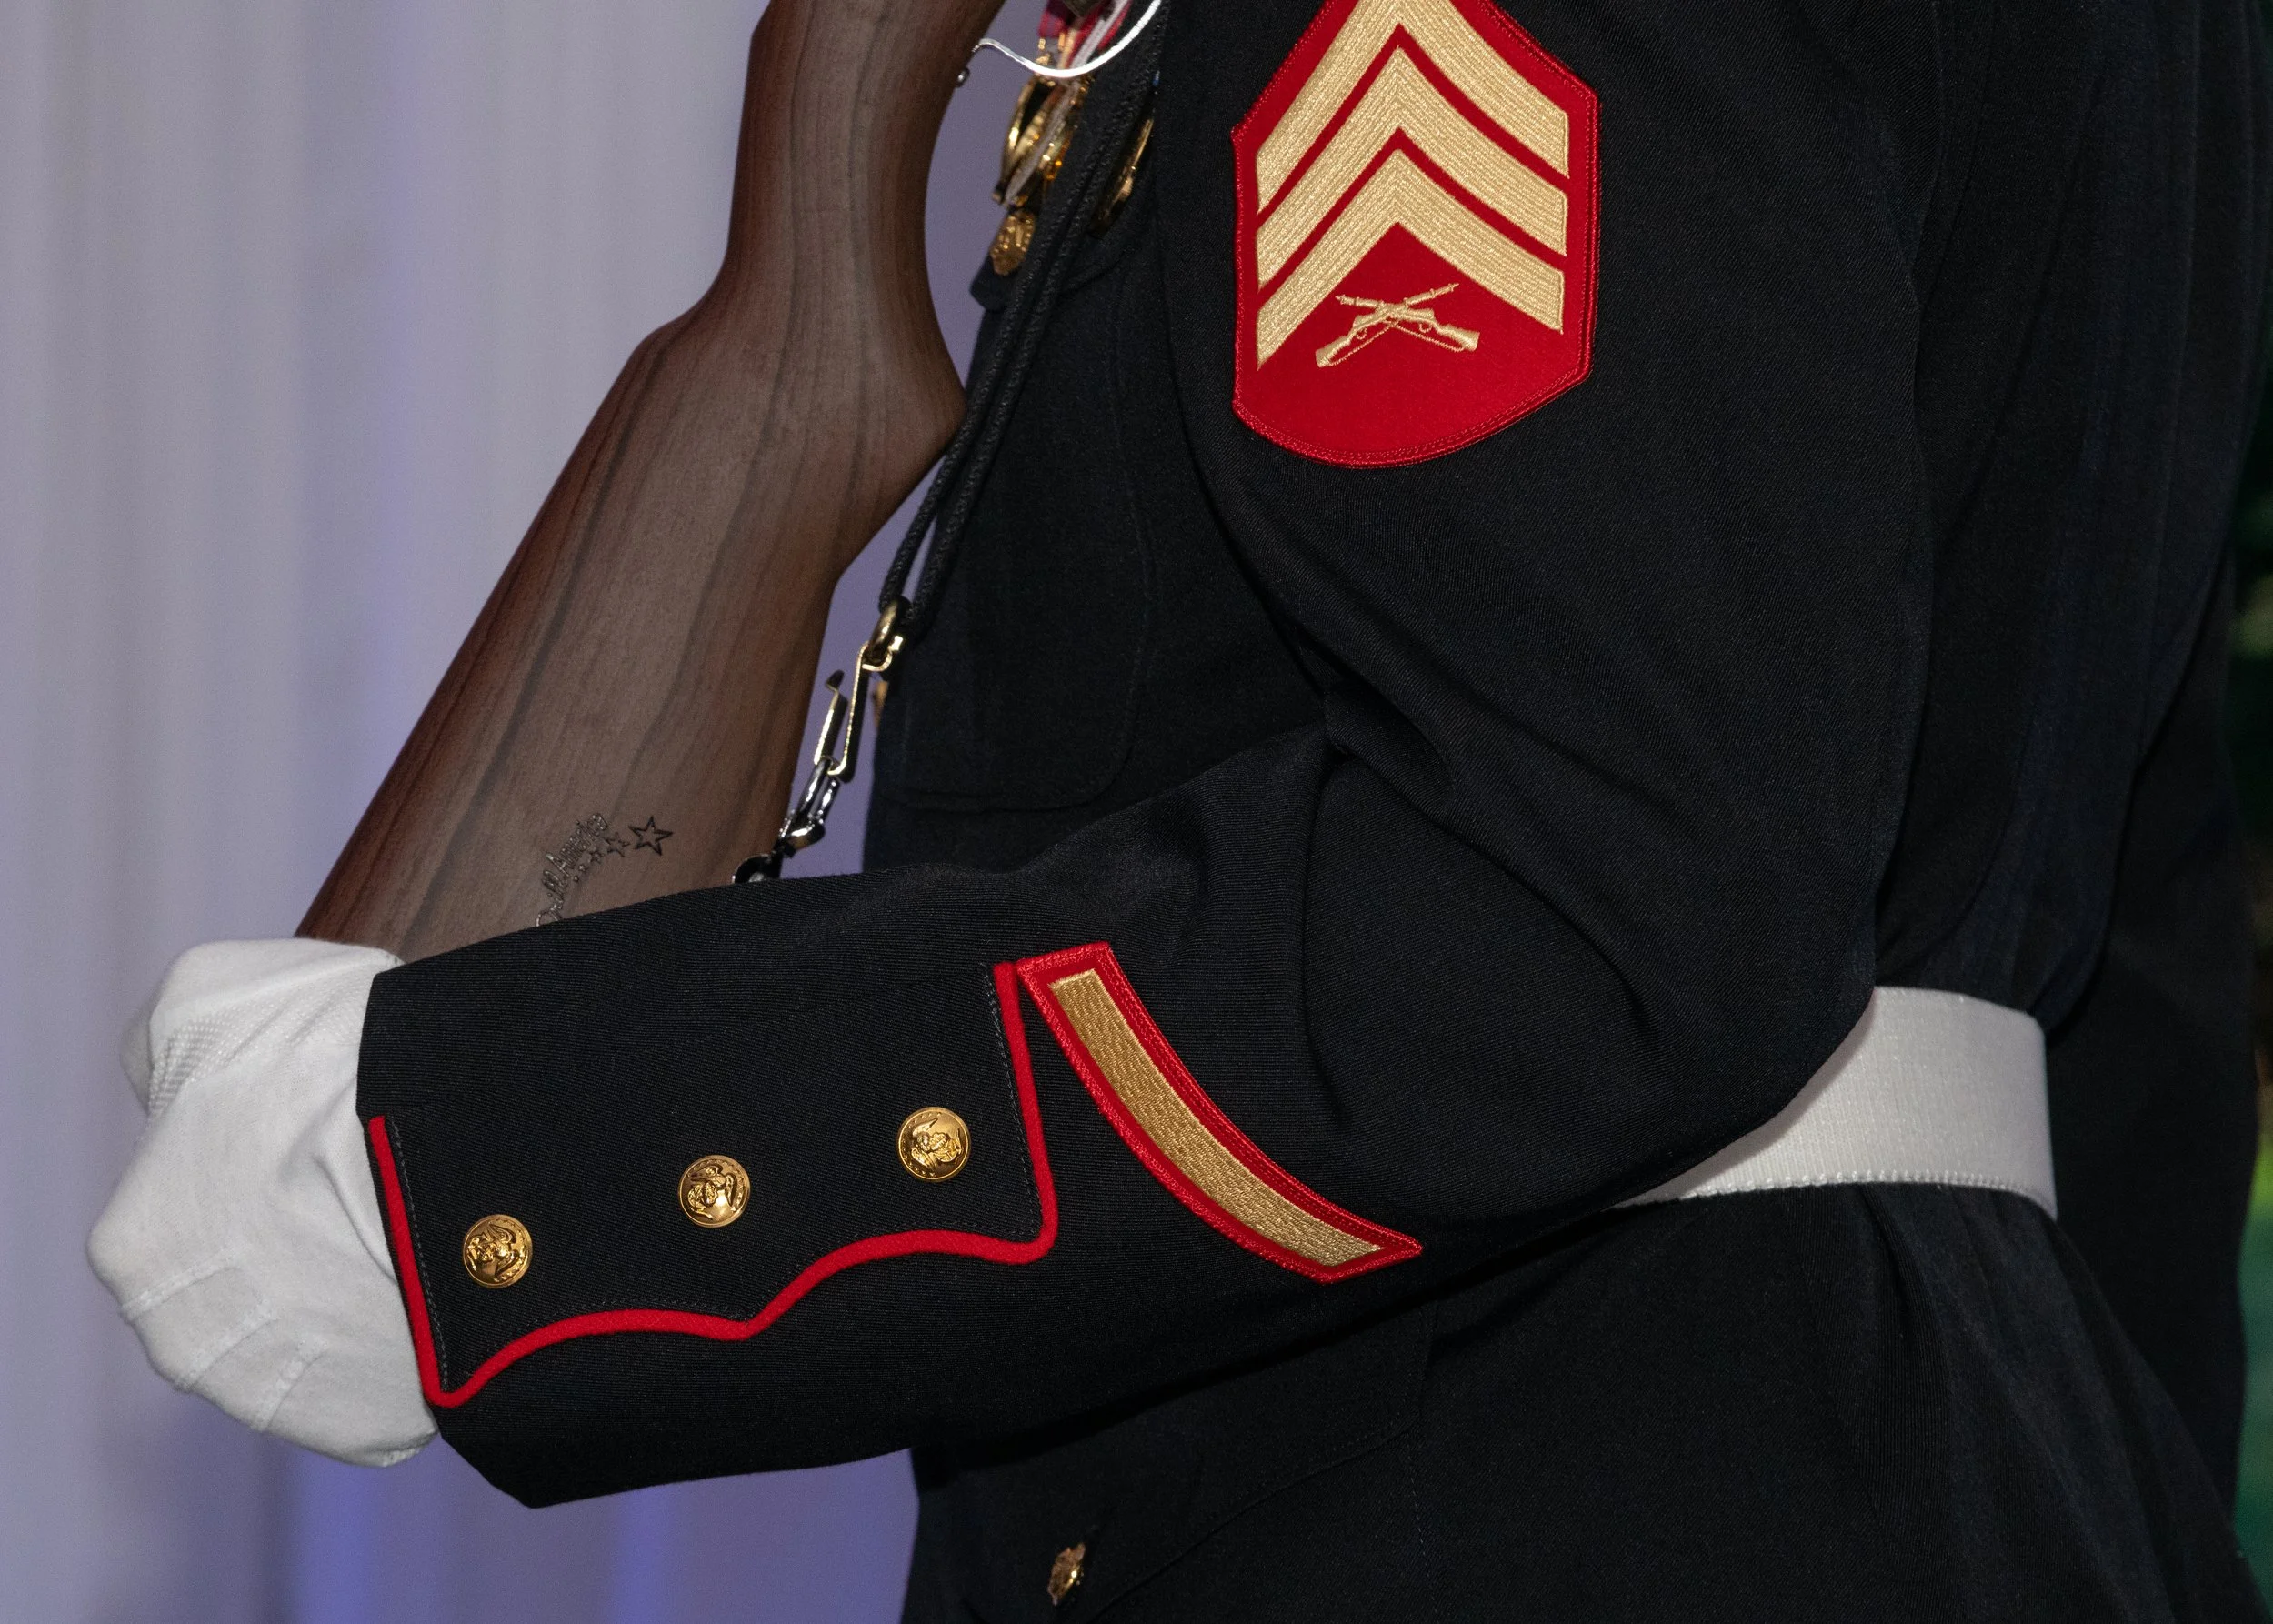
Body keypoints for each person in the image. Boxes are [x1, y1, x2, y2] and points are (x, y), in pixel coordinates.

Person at [91, 0, 2273, 1615]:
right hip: (1963, 1469)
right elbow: (2113, 962)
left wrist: (508, 1178)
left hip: (1491, 1486)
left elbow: (1566, 901)